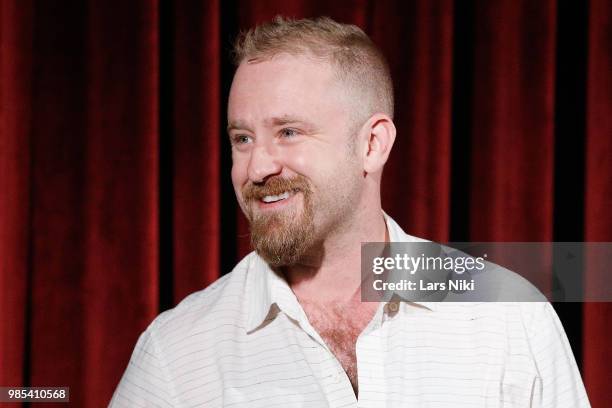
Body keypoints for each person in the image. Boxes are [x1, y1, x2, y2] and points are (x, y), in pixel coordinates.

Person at [110, 16, 590, 407]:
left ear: (372, 145)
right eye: (242, 139)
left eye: (289, 132)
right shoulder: (175, 354)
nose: (256, 167)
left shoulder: (508, 314)